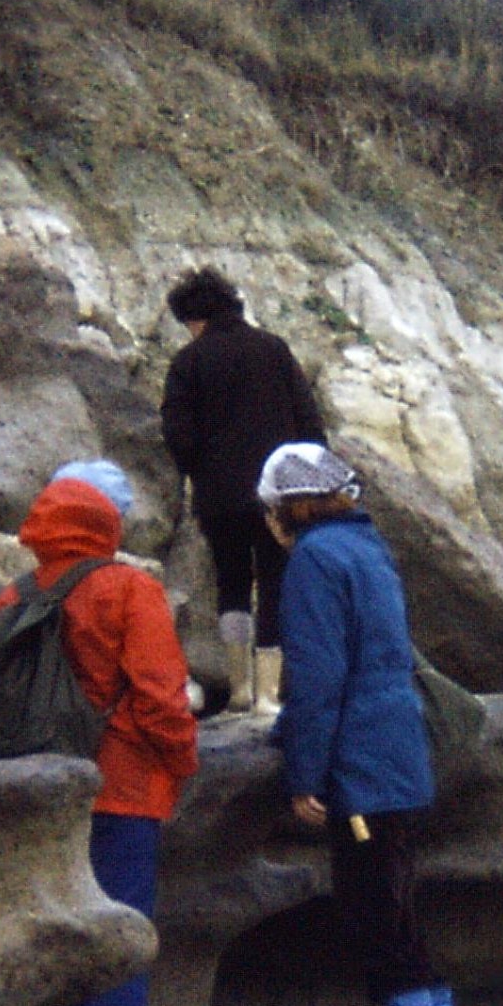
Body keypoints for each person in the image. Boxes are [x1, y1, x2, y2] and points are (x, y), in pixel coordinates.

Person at [257, 442, 461, 1006]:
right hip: (399, 756)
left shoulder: (314, 560)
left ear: (289, 509)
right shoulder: (368, 547)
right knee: (400, 913)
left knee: (379, 921)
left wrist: (304, 775)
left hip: (363, 769)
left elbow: (318, 679)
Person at [0, 460, 198, 1006]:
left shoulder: (16, 595)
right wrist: (181, 760)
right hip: (123, 785)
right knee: (120, 935)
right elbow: (162, 694)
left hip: (43, 788)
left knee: (64, 932)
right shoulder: (128, 589)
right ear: (108, 523)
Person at [160, 266, 329, 715]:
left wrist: (197, 475)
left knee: (232, 583)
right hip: (279, 494)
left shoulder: (188, 362)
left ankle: (238, 687)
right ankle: (270, 695)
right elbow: (310, 423)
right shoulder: (273, 349)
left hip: (219, 496)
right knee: (275, 582)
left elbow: (178, 434)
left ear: (197, 317)